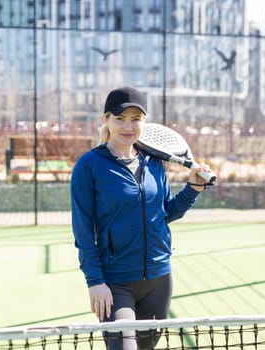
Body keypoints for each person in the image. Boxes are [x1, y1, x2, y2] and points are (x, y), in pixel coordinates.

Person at [70, 86, 213, 350]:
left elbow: (164, 214)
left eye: (136, 119)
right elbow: (82, 230)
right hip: (115, 284)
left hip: (159, 281)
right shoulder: (88, 166)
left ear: (143, 123)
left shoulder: (154, 163)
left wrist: (192, 189)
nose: (128, 126)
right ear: (107, 120)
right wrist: (95, 282)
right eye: (120, 119)